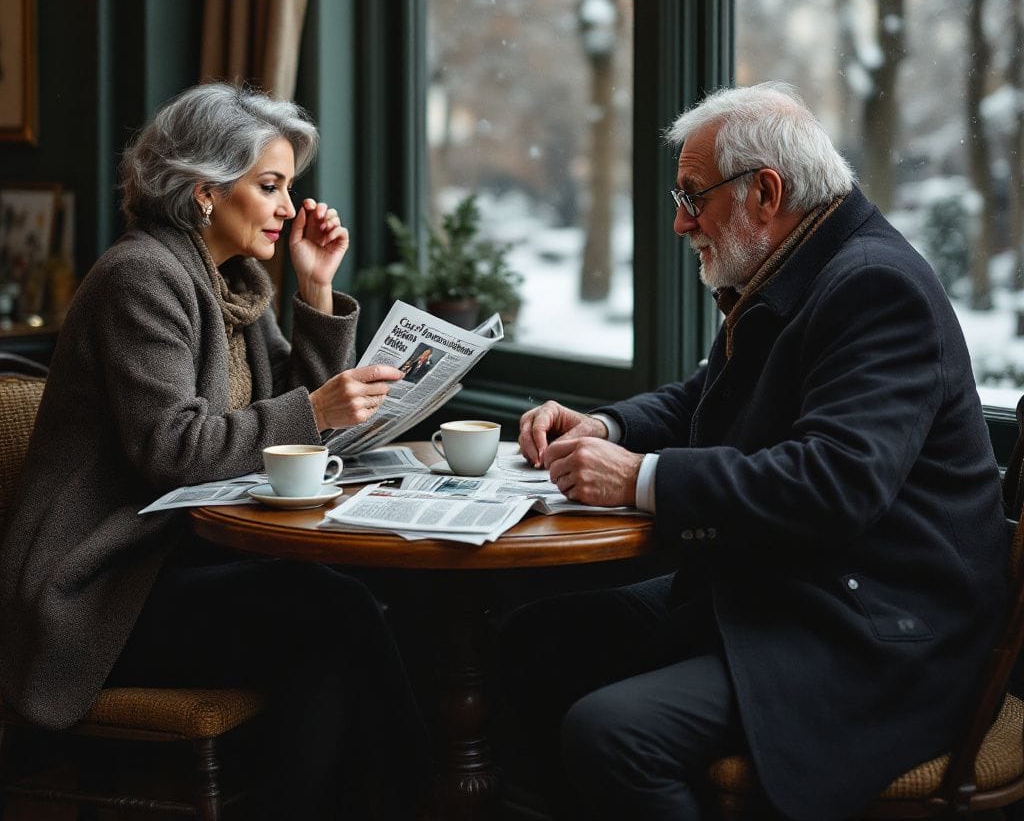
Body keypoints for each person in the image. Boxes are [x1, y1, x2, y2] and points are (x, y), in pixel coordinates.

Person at [502, 82, 1010, 821]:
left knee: (613, 734)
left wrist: (640, 478)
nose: (681, 223)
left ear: (765, 192)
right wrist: (605, 428)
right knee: (534, 641)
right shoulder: (799, 264)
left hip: (882, 634)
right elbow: (708, 395)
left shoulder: (872, 285)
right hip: (796, 590)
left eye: (691, 196)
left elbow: (834, 485)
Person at [0, 82, 429, 819]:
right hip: (100, 589)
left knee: (345, 614)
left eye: (289, 187)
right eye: (271, 186)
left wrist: (317, 291)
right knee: (332, 615)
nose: (291, 208)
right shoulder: (140, 277)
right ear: (204, 192)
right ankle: (416, 805)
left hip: (179, 559)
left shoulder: (229, 282)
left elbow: (301, 420)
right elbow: (174, 449)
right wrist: (314, 408)